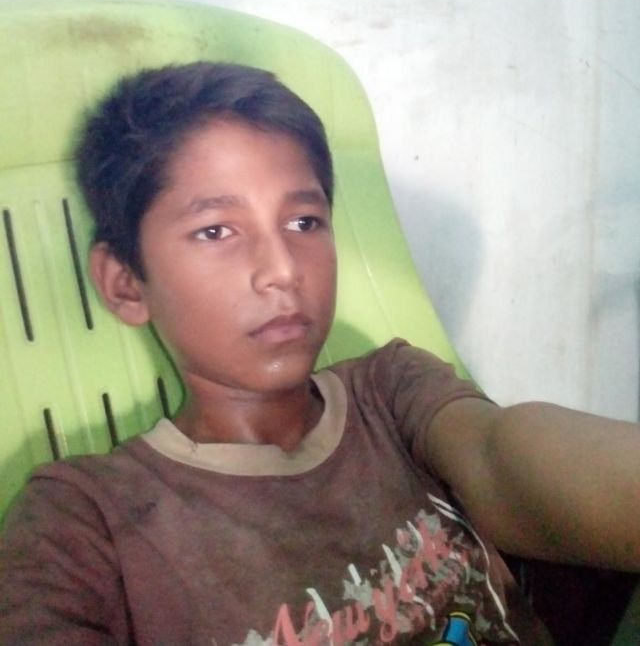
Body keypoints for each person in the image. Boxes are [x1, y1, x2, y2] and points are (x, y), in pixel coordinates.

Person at [0, 62, 638, 646]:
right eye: (216, 230)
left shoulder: (390, 391)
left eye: (304, 222)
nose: (282, 268)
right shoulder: (85, 518)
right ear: (124, 284)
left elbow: (500, 457)